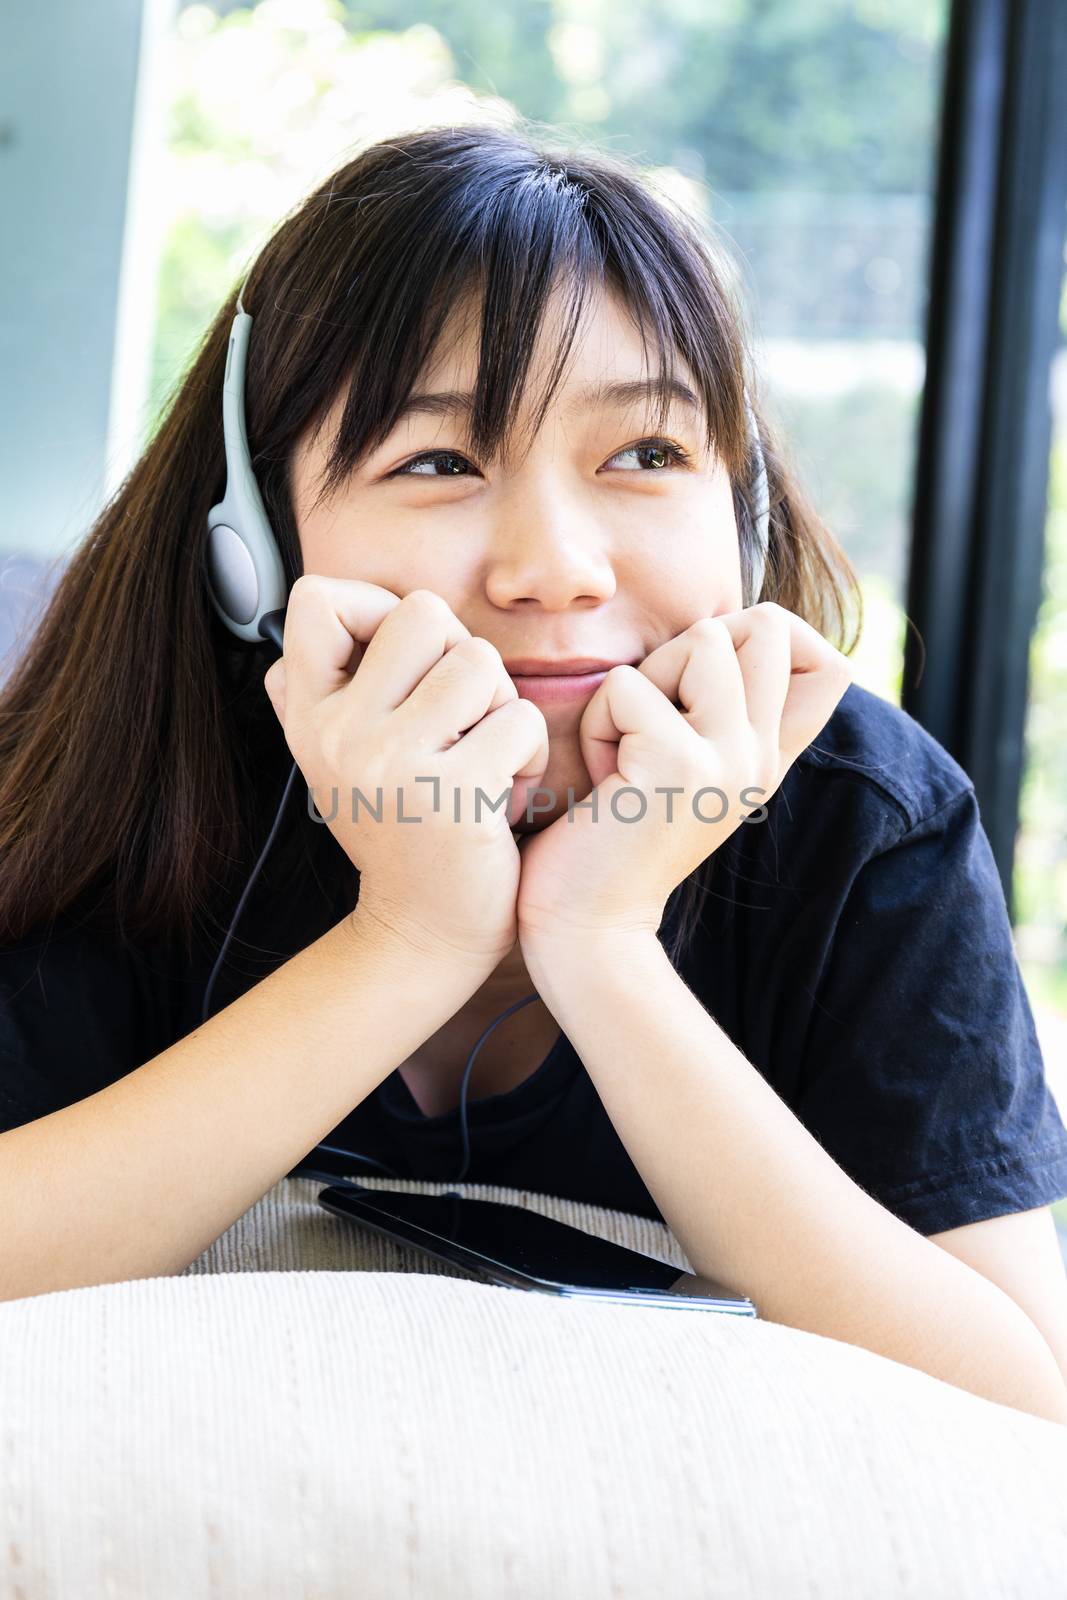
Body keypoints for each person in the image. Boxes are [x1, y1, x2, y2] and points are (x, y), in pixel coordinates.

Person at [2, 122, 1066, 1421]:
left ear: (748, 515)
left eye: (646, 455)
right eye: (439, 460)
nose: (556, 567)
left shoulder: (858, 816)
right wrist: (410, 936)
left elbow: (1021, 1403)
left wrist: (602, 943)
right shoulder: (132, 765)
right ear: (257, 544)